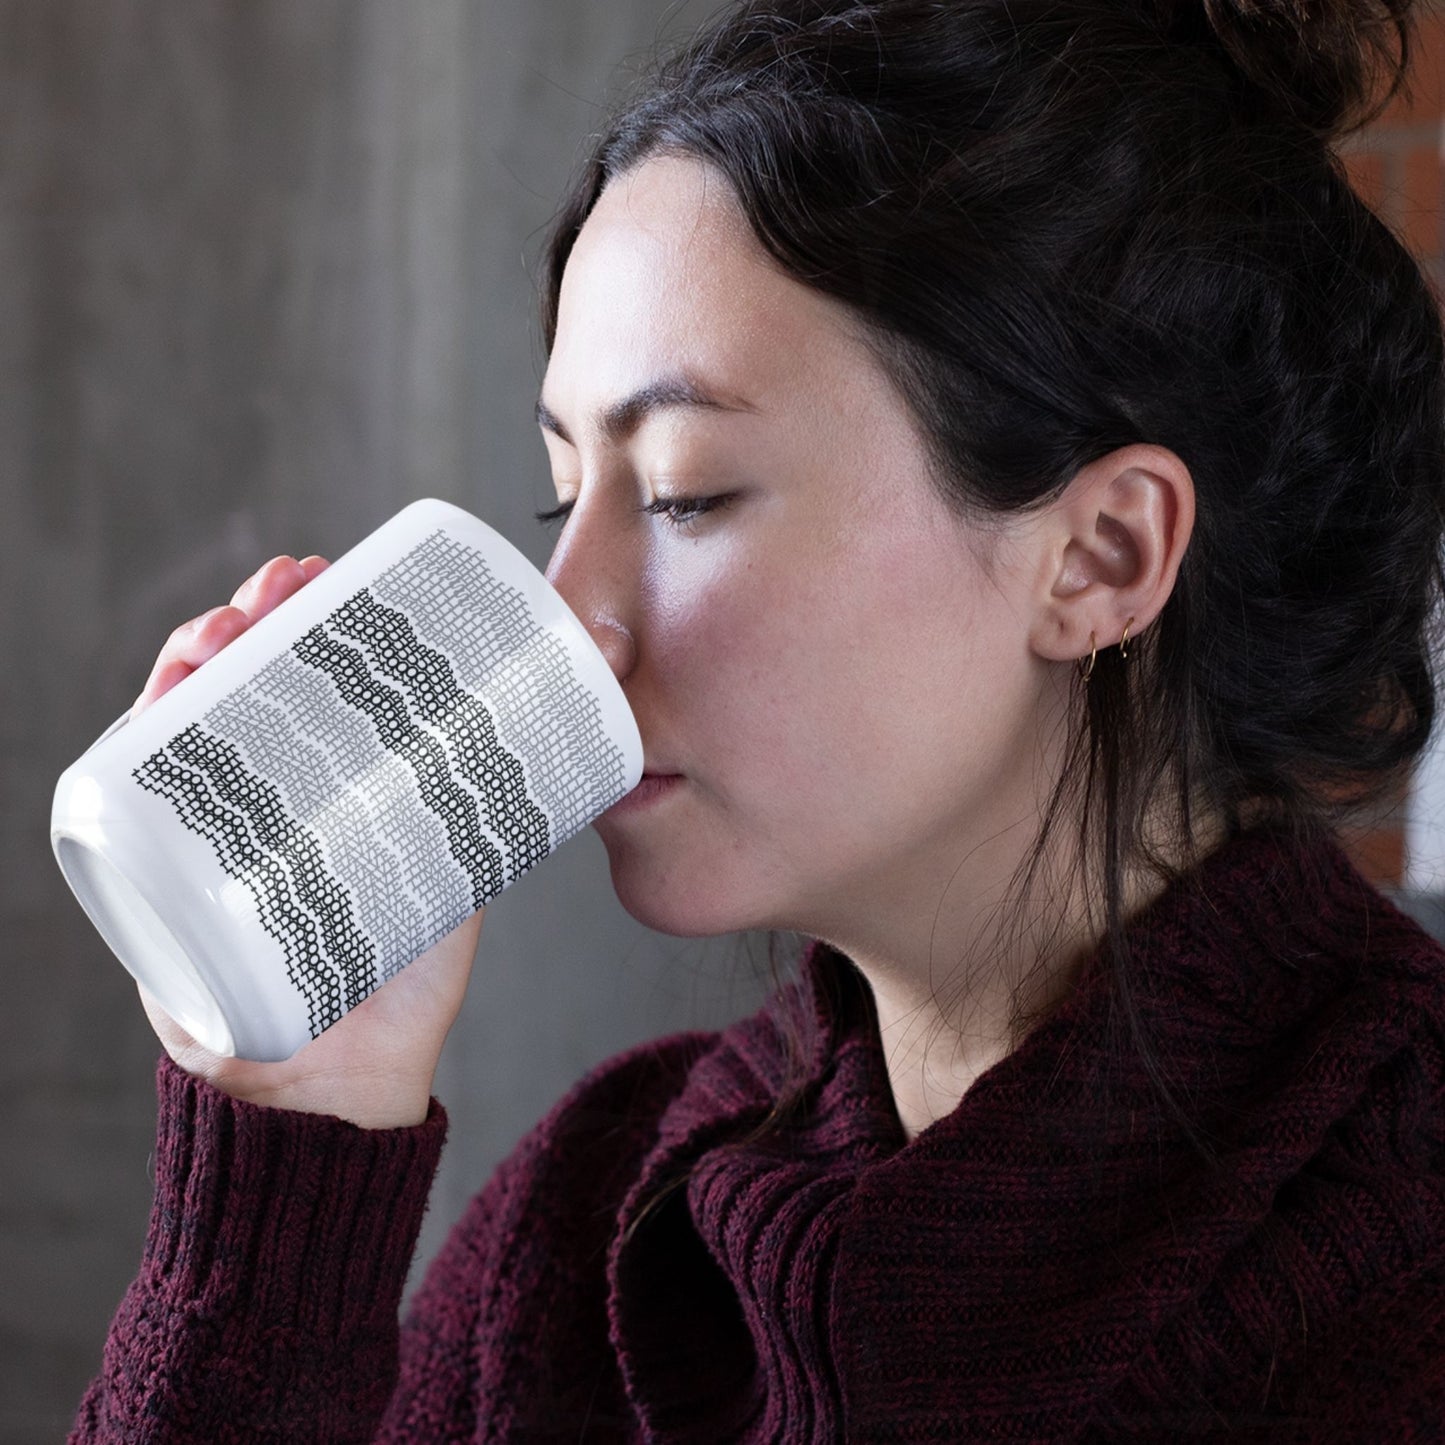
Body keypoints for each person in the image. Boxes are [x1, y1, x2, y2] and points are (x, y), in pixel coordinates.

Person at [71, 0, 1445, 1438]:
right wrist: (292, 1139)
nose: (570, 616)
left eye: (684, 493)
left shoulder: (1392, 1274)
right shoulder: (595, 1226)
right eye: (562, 495)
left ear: (1099, 554)